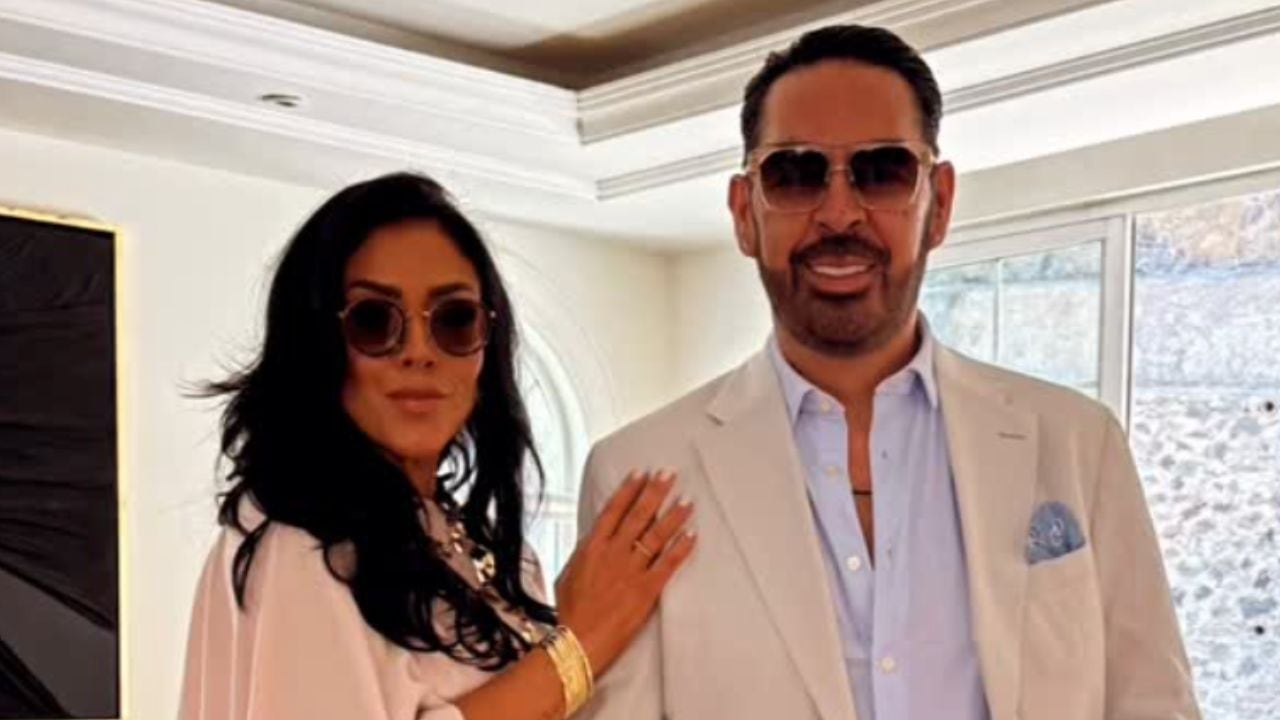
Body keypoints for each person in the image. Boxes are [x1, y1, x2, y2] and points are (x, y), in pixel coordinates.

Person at [576, 24, 1199, 720]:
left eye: (882, 171)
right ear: (745, 213)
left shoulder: (1078, 443)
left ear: (939, 203)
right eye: (795, 173)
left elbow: (1155, 705)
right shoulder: (640, 476)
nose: (839, 213)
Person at [179, 172, 696, 720]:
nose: (420, 352)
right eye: (374, 321)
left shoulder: (495, 559)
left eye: (454, 320)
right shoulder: (296, 544)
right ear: (315, 342)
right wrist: (580, 646)